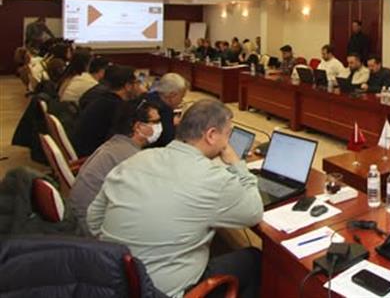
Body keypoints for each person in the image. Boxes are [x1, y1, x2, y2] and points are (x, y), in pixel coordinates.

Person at [87, 99, 263, 298]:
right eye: (228, 135)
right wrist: (237, 164)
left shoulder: (134, 160)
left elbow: (93, 220)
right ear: (212, 135)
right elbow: (254, 212)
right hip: (163, 293)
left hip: (112, 283)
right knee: (253, 259)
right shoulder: (212, 179)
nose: (227, 143)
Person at [69, 99, 161, 231]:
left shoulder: (117, 144)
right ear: (138, 127)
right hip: (89, 226)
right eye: (155, 122)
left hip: (81, 215)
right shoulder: (130, 157)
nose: (159, 126)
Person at [74, 65, 140, 158]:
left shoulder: (104, 100)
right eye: (138, 82)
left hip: (87, 153)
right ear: (128, 86)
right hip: (93, 157)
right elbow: (123, 140)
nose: (140, 86)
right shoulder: (117, 107)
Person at [146, 73, 188, 148]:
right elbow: (168, 140)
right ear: (172, 95)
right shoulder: (165, 110)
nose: (181, 101)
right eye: (181, 97)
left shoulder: (148, 96)